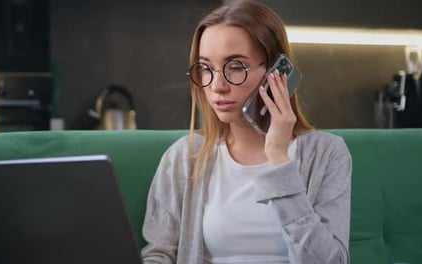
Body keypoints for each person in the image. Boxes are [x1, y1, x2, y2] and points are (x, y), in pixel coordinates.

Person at [141, 0, 352, 263]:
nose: (217, 86)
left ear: (277, 71)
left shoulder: (327, 153)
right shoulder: (184, 156)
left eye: (236, 67)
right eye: (206, 68)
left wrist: (278, 157)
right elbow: (159, 254)